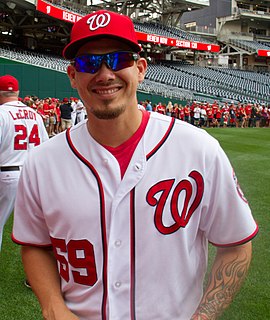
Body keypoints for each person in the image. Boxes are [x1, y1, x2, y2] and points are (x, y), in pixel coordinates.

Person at [12, 10, 258, 320]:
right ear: (73, 76)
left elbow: (236, 243)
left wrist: (202, 317)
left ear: (140, 69)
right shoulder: (41, 162)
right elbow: (35, 245)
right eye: (89, 63)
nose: (104, 74)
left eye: (118, 60)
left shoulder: (199, 150)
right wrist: (53, 308)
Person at [0, 74, 48, 250]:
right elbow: (45, 147)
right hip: (32, 175)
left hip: (7, 173)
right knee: (35, 231)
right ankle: (36, 276)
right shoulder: (34, 114)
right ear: (18, 92)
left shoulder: (2, 113)